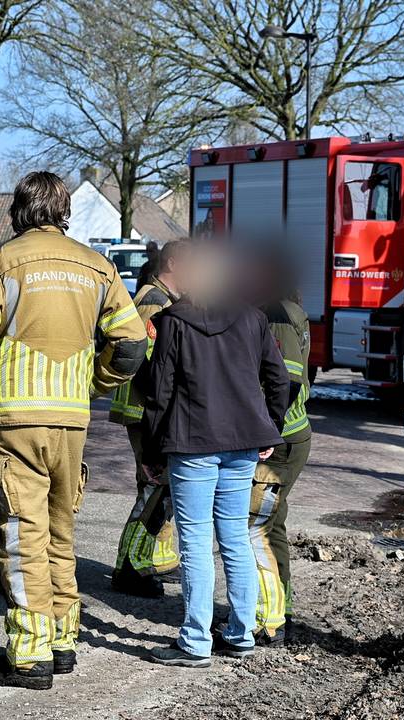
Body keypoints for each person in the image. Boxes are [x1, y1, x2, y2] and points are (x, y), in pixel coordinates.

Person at [0, 171, 148, 690]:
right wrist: (93, 383)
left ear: (19, 209)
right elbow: (131, 344)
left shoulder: (0, 263)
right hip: (71, 422)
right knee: (61, 533)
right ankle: (64, 642)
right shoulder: (99, 266)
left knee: (21, 537)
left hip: (16, 421)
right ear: (64, 211)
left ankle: (30, 656)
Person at [137, 248, 291, 667]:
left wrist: (150, 451)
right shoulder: (253, 319)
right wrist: (268, 427)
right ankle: (241, 633)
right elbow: (280, 379)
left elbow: (159, 392)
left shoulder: (172, 322)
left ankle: (195, 642)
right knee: (235, 538)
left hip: (192, 445)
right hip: (242, 443)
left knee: (195, 544)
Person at [108, 240, 191, 598]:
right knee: (154, 489)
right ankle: (130, 568)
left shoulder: (162, 300)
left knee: (157, 491)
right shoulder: (153, 303)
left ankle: (141, 561)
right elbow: (147, 365)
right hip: (145, 412)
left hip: (150, 410)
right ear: (173, 263)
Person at [248, 289, 313, 646]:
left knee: (256, 527)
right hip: (288, 436)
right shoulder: (291, 310)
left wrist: (266, 432)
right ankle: (278, 608)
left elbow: (286, 381)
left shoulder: (276, 313)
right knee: (271, 526)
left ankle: (268, 619)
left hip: (280, 441)